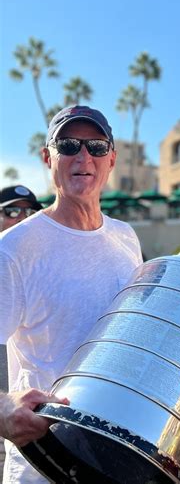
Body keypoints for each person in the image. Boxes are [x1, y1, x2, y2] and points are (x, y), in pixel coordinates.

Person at [0, 105, 143, 484]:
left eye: (96, 146)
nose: (83, 157)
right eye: (68, 145)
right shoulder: (14, 249)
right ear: (48, 157)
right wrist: (2, 408)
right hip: (44, 465)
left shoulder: (126, 237)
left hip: (120, 456)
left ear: (111, 159)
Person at [0, 186, 43, 482]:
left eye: (30, 212)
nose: (22, 218)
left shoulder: (34, 265)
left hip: (24, 422)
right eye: (12, 211)